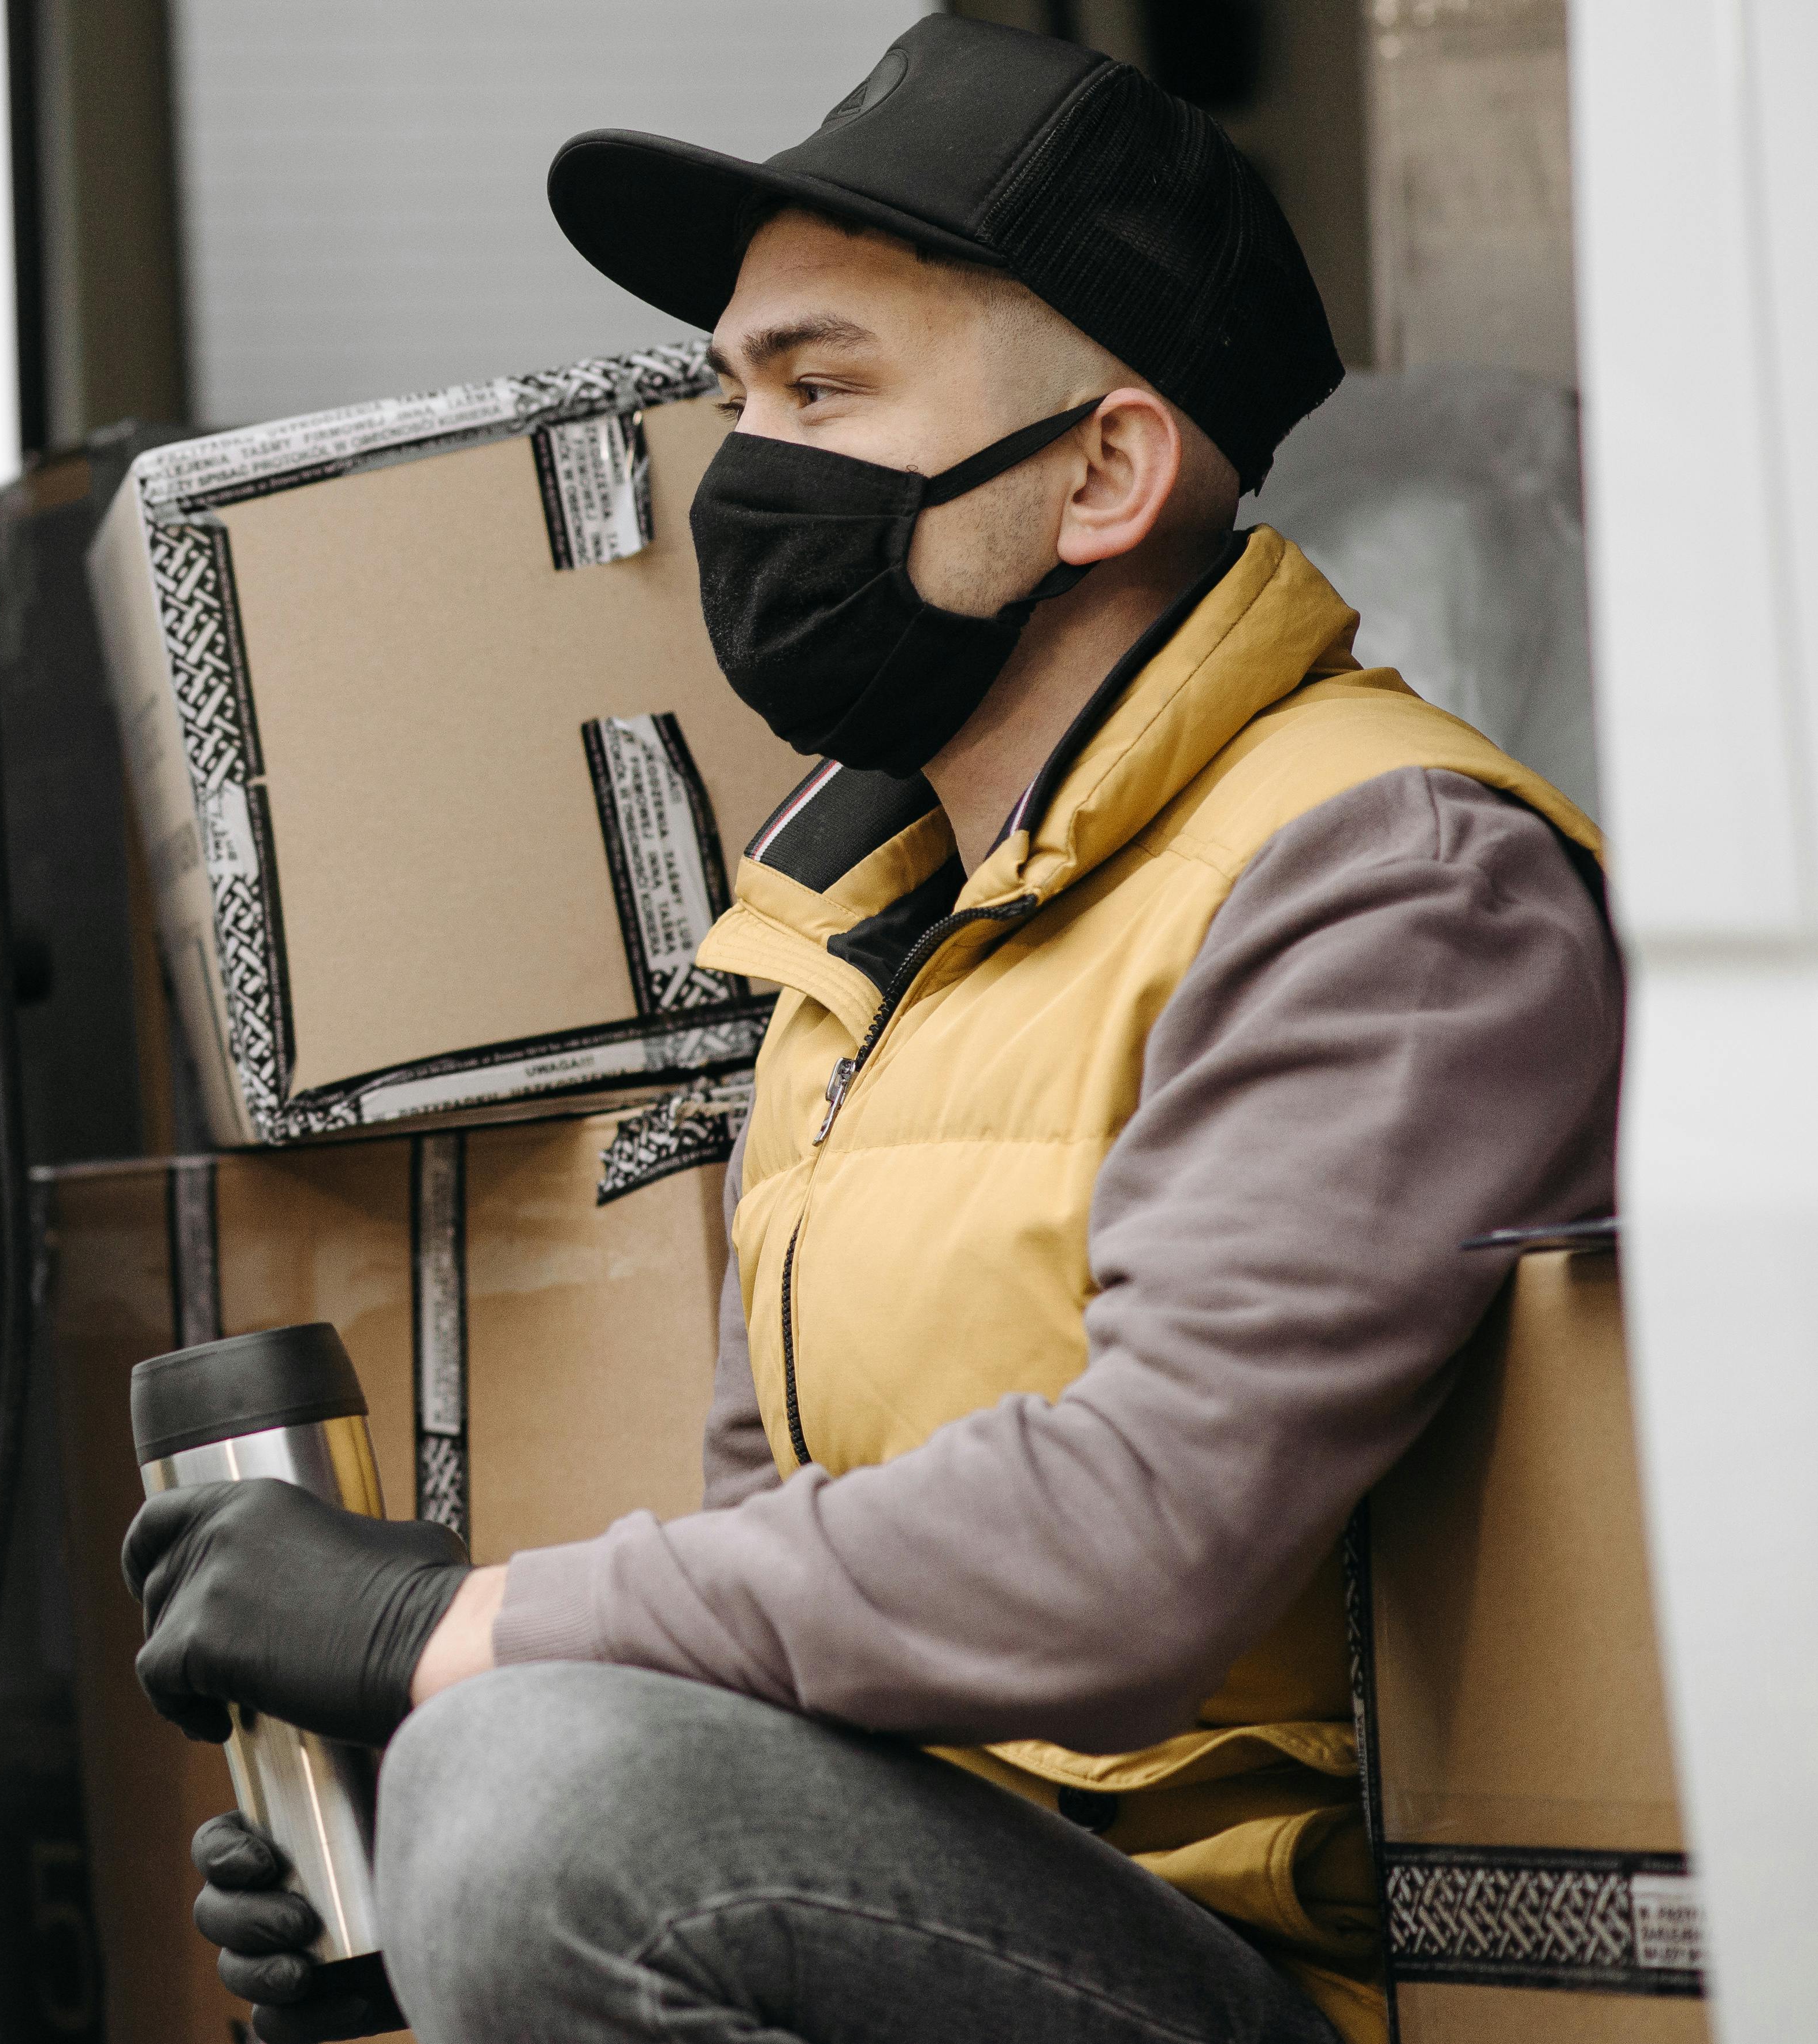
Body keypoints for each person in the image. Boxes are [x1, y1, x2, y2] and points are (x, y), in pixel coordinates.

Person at [118, 16, 1618, 2044]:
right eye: (734, 392)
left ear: (1101, 471)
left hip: (1295, 1982)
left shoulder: (1386, 884)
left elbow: (1129, 1549)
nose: (740, 471)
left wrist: (443, 1640)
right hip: (992, 1919)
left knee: (538, 1775)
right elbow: (783, 1603)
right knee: (519, 1780)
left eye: (822, 386)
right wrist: (406, 1880)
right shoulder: (856, 937)